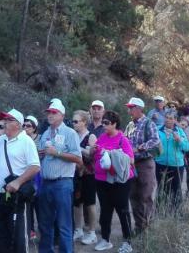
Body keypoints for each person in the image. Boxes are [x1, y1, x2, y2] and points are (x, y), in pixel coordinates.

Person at [0, 109, 40, 253]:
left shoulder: (26, 141)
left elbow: (35, 166)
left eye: (8, 120)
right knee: (0, 234)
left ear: (17, 124)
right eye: (3, 120)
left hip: (15, 193)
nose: (4, 122)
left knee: (18, 235)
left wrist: (17, 182)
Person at [37, 99, 82, 253]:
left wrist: (57, 153)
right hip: (46, 183)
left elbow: (78, 159)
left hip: (63, 183)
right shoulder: (44, 134)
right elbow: (41, 156)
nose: (50, 115)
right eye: (48, 112)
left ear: (62, 115)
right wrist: (41, 154)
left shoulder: (70, 133)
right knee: (44, 223)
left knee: (64, 224)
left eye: (53, 112)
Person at [89, 110, 134, 253]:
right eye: (103, 122)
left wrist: (110, 154)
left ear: (115, 124)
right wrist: (93, 150)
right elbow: (94, 157)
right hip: (101, 180)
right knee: (105, 210)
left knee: (122, 210)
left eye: (106, 123)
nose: (103, 125)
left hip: (120, 181)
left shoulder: (123, 139)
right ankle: (105, 239)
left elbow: (131, 160)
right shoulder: (101, 138)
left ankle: (127, 242)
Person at [126, 97, 159, 234]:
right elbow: (124, 140)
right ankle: (139, 227)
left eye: (131, 107)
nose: (129, 110)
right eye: (129, 107)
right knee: (133, 196)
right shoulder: (129, 125)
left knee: (145, 196)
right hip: (132, 164)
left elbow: (155, 140)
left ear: (139, 109)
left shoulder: (148, 123)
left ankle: (147, 227)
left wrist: (139, 148)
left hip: (145, 164)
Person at [71, 111, 97, 246]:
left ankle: (92, 232)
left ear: (84, 122)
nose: (73, 124)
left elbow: (93, 154)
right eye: (73, 121)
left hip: (89, 175)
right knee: (77, 203)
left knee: (90, 203)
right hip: (75, 174)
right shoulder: (73, 135)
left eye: (76, 121)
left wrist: (79, 149)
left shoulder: (90, 136)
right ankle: (78, 229)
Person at [154, 111, 189, 211]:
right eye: (167, 117)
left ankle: (176, 213)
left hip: (176, 165)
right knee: (161, 188)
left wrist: (179, 140)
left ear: (175, 120)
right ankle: (160, 211)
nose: (168, 120)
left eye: (171, 118)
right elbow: (151, 145)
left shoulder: (180, 131)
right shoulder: (157, 130)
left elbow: (187, 147)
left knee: (176, 189)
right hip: (160, 164)